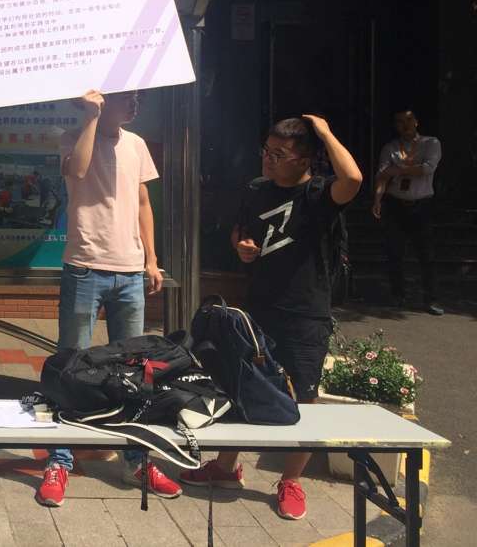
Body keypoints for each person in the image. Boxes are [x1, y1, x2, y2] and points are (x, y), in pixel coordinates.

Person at [180, 116, 362, 521]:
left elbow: (353, 178)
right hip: (258, 306)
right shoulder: (256, 189)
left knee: (304, 399)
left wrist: (325, 132)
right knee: (243, 383)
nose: (268, 159)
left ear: (305, 160)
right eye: (266, 151)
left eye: (279, 154)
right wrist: (242, 245)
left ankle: (291, 480)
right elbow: (240, 230)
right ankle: (225, 468)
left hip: (306, 313)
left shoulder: (319, 194)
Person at [36, 89, 173, 508]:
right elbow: (77, 171)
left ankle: (136, 459)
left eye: (137, 98)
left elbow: (144, 203)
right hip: (84, 267)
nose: (134, 105)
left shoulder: (137, 144)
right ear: (103, 99)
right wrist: (92, 117)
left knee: (134, 371)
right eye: (126, 98)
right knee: (71, 366)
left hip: (130, 272)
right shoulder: (73, 137)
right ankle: (60, 460)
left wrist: (151, 259)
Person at [372, 109, 443, 315]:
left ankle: (431, 299)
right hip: (396, 204)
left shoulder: (431, 143)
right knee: (394, 252)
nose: (405, 125)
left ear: (417, 122)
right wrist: (377, 199)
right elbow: (382, 176)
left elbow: (427, 168)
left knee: (427, 254)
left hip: (422, 204)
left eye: (409, 120)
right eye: (400, 121)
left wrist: (396, 170)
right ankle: (398, 295)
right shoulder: (390, 148)